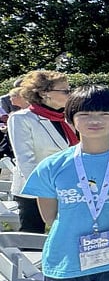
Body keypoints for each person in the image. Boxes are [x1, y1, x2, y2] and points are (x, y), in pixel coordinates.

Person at [22, 85, 109, 281]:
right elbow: (49, 217)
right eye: (84, 114)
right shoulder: (52, 166)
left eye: (104, 114)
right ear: (69, 119)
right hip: (66, 261)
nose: (95, 120)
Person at [8, 70, 78, 233]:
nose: (70, 93)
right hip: (33, 191)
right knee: (32, 241)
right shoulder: (21, 118)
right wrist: (48, 190)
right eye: (65, 90)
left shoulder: (65, 119)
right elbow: (26, 161)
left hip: (68, 189)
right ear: (44, 93)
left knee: (67, 236)